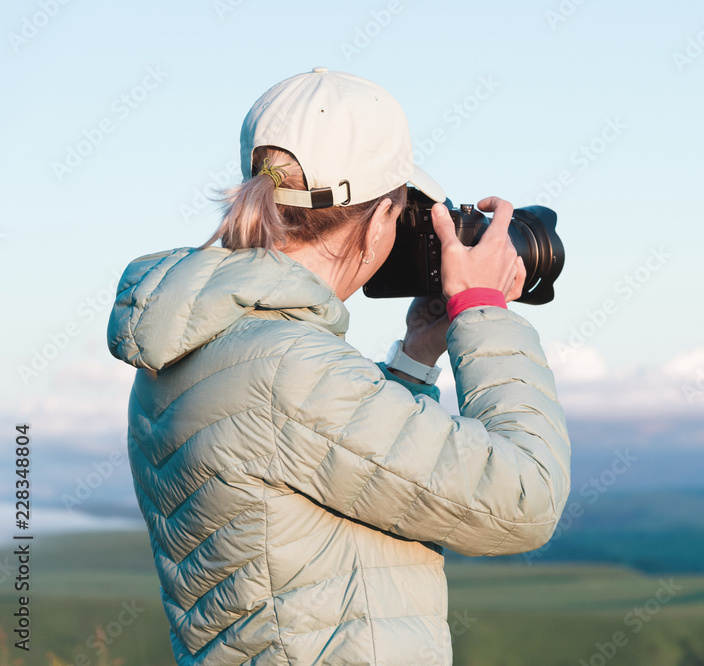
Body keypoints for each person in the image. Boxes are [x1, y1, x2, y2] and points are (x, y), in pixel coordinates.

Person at [106, 68, 571, 665]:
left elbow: (329, 485)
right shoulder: (287, 367)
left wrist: (414, 357)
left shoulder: (198, 345)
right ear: (380, 221)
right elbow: (525, 499)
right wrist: (484, 311)